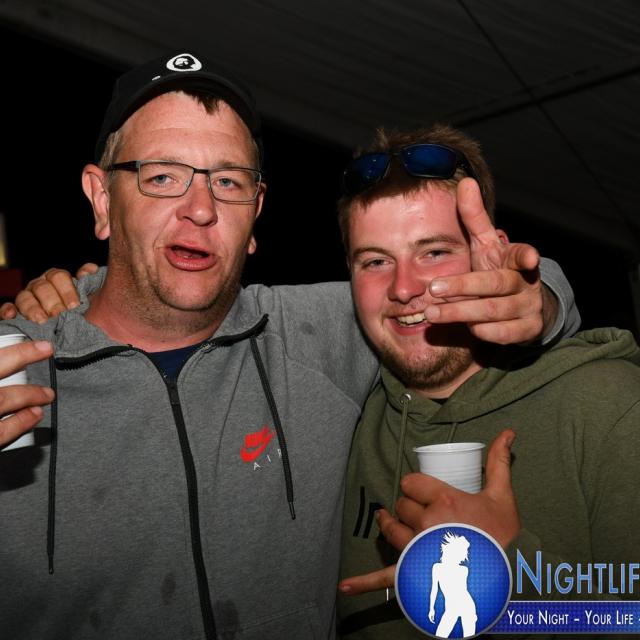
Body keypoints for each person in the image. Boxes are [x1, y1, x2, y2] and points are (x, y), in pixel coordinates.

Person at [0, 52, 578, 639]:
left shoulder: (322, 334)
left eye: (228, 181)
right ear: (102, 199)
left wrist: (540, 300)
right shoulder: (13, 374)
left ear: (256, 212)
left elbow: (466, 284)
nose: (200, 209)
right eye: (163, 176)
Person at [335, 124, 640, 639]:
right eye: (376, 261)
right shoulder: (344, 414)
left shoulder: (608, 406)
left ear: (489, 254)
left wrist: (505, 568)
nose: (403, 288)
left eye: (434, 252)